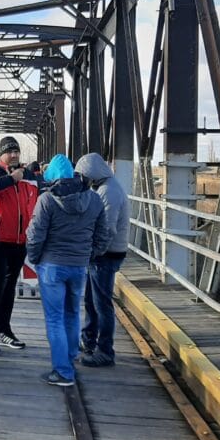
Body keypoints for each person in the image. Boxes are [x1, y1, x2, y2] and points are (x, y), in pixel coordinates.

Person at [26, 154, 108, 386]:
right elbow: (103, 234)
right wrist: (89, 255)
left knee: (54, 319)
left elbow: (34, 235)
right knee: (73, 313)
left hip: (52, 266)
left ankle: (62, 371)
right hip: (79, 266)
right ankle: (70, 357)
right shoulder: (93, 199)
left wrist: (35, 258)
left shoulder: (47, 200)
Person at [0, 135, 37, 356]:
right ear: (1, 153)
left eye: (17, 151)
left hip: (20, 240)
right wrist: (11, 179)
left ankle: (4, 329)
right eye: (9, 151)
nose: (14, 155)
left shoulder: (29, 176)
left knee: (10, 286)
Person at [75, 152, 131, 367]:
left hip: (106, 255)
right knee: (91, 300)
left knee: (101, 303)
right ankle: (89, 339)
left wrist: (93, 252)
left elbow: (107, 228)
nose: (82, 180)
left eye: (83, 175)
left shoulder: (109, 192)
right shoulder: (105, 187)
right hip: (103, 254)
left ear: (91, 173)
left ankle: (105, 350)